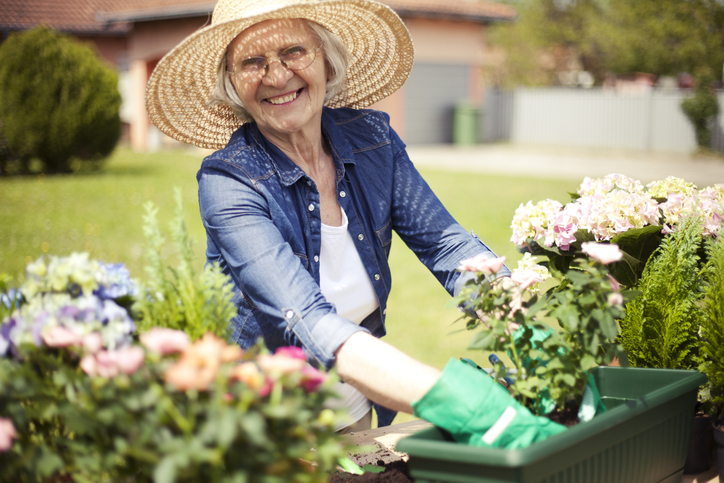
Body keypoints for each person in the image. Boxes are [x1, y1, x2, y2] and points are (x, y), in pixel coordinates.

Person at [146, 0, 564, 445]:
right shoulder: (230, 179)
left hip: (351, 408)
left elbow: (446, 247)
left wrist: (519, 322)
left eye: (293, 52)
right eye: (252, 61)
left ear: (326, 59)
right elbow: (304, 318)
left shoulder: (373, 141)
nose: (276, 75)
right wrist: (457, 399)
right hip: (258, 426)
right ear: (232, 83)